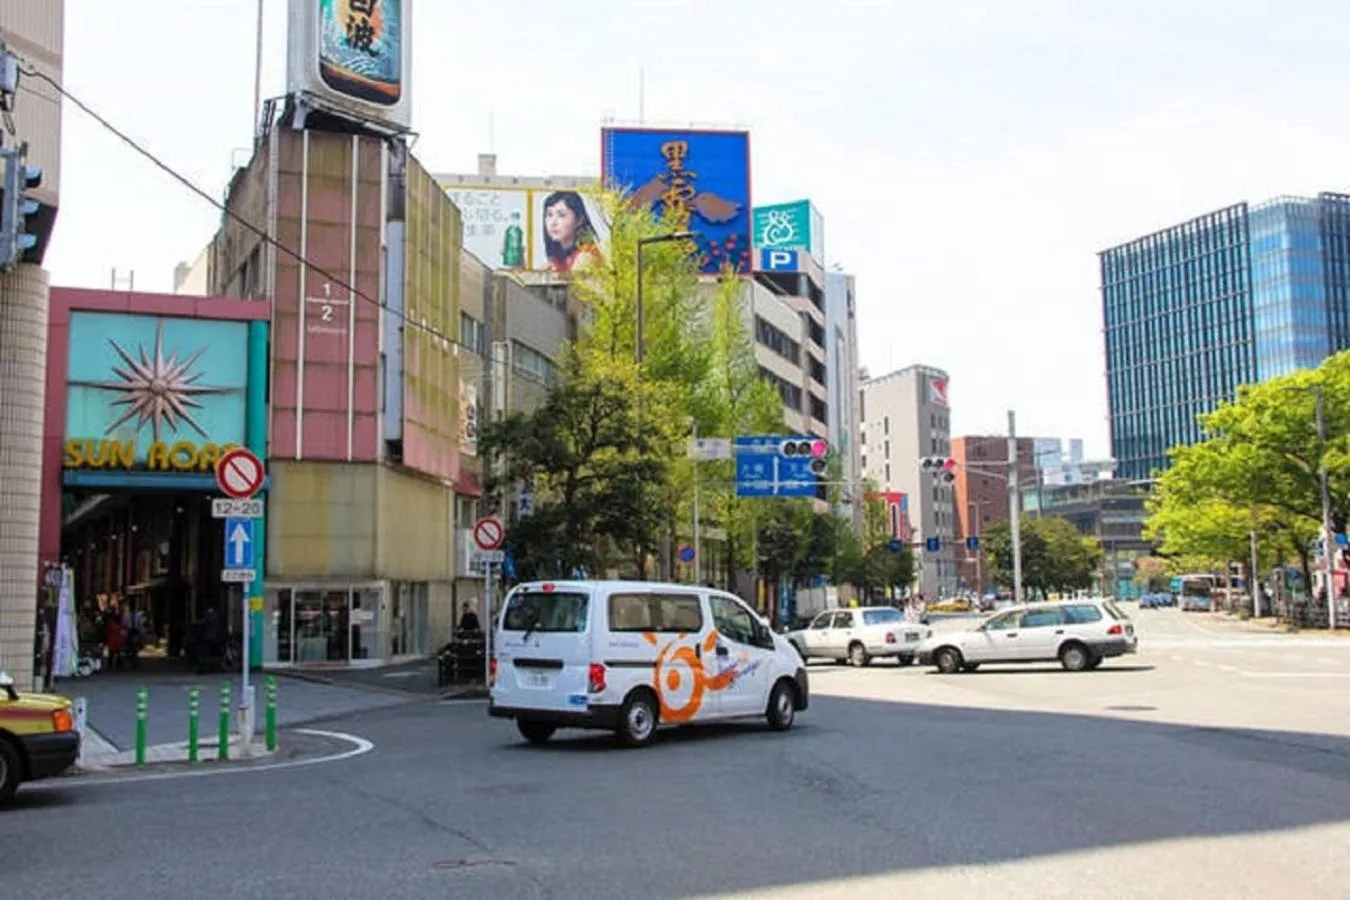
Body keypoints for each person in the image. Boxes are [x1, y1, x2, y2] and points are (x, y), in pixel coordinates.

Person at [540, 191, 597, 272]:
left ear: (579, 219)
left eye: (562, 215)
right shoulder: (557, 260)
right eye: (549, 215)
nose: (553, 223)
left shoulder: (585, 257)